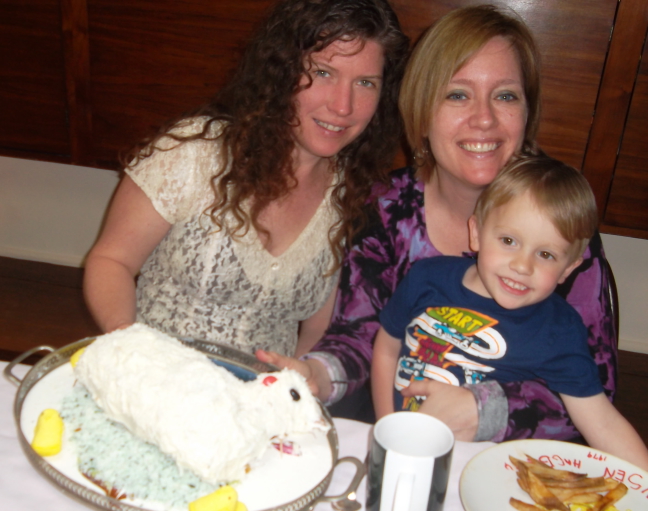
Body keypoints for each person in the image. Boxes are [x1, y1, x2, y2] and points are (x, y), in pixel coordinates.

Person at [258, 4, 618, 443]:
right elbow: (364, 336)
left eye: (505, 96)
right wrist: (319, 372)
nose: (484, 118)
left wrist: (487, 408)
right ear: (422, 111)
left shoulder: (557, 220)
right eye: (457, 94)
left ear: (528, 113)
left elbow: (596, 393)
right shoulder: (383, 208)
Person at [82, 0, 409, 357]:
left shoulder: (354, 193)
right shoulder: (197, 153)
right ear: (283, 70)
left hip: (255, 402)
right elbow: (112, 260)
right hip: (152, 380)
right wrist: (129, 346)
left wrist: (287, 389)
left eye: (365, 82)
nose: (343, 106)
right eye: (323, 73)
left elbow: (319, 326)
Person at [371, 154, 648, 469]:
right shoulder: (425, 278)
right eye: (508, 240)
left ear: (567, 269)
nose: (522, 266)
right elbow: (387, 348)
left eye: (545, 254)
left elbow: (602, 423)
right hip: (399, 451)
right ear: (476, 232)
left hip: (487, 477)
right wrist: (386, 427)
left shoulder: (559, 329)